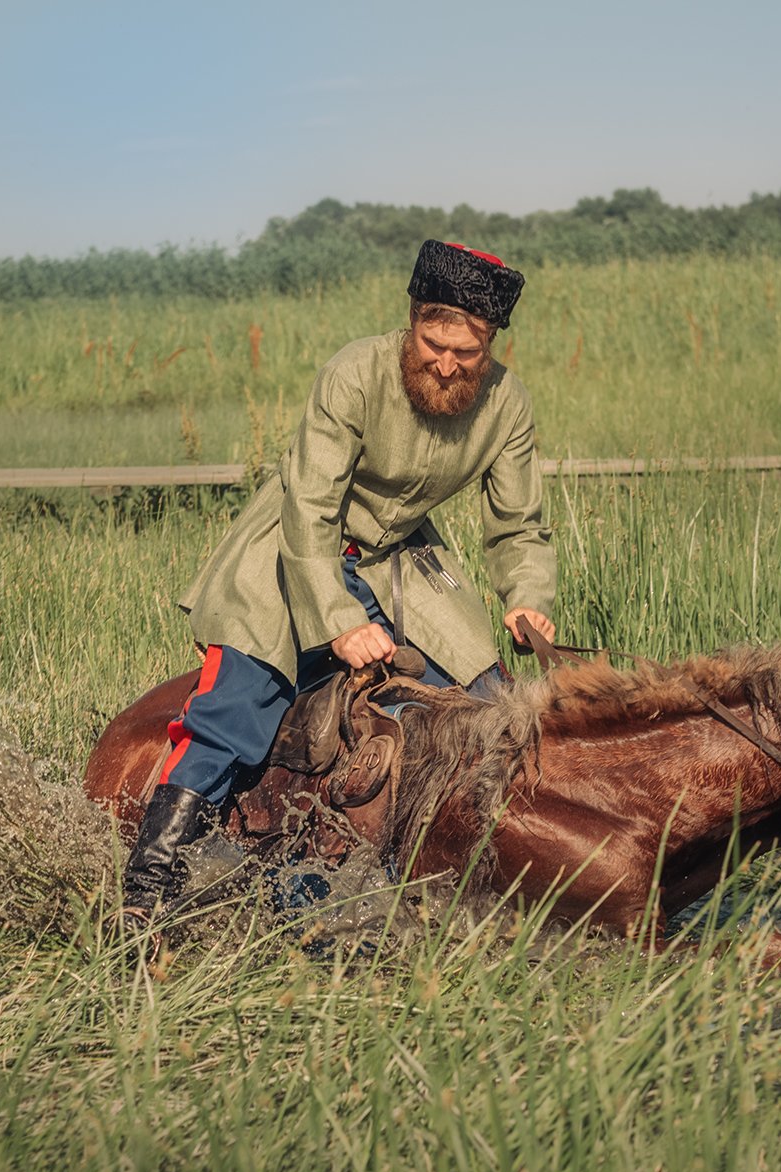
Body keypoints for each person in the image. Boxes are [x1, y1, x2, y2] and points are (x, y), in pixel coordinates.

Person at [122, 240, 558, 914]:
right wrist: (340, 622)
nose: (443, 362)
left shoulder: (509, 404)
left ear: (490, 344)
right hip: (297, 546)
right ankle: (147, 883)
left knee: (494, 703)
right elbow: (311, 506)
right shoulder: (354, 373)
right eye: (431, 341)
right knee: (241, 702)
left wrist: (527, 599)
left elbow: (520, 522)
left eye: (464, 353)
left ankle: (463, 880)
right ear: (413, 318)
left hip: (403, 565)